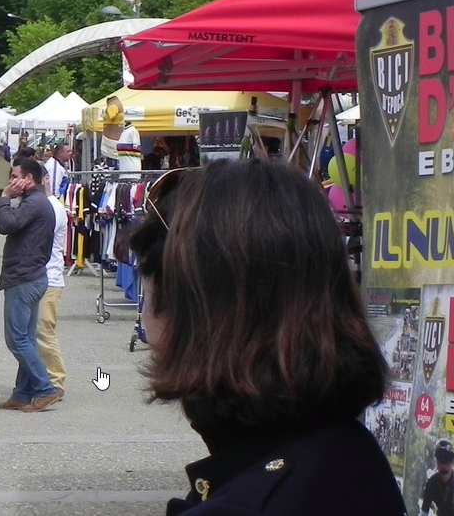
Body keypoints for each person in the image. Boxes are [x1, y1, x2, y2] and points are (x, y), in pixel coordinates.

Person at [128, 160, 402, 514]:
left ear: (194, 311)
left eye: (146, 289)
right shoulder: (348, 451)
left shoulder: (248, 500)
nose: (144, 320)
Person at [0, 157, 59, 412]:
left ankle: (45, 388)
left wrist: (5, 197)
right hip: (33, 275)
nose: (10, 180)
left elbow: (7, 225)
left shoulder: (34, 202)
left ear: (28, 179)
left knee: (17, 340)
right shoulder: (38, 202)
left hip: (24, 277)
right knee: (26, 339)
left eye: (14, 175)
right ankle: (22, 392)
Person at [35, 176, 69, 397]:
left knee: (43, 330)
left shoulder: (53, 207)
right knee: (32, 332)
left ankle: (56, 379)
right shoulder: (41, 205)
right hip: (38, 276)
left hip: (50, 277)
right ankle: (39, 377)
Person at [420, 440, 454, 516]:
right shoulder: (431, 483)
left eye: (447, 462)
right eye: (441, 461)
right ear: (437, 463)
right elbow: (424, 512)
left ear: (453, 463)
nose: (443, 466)